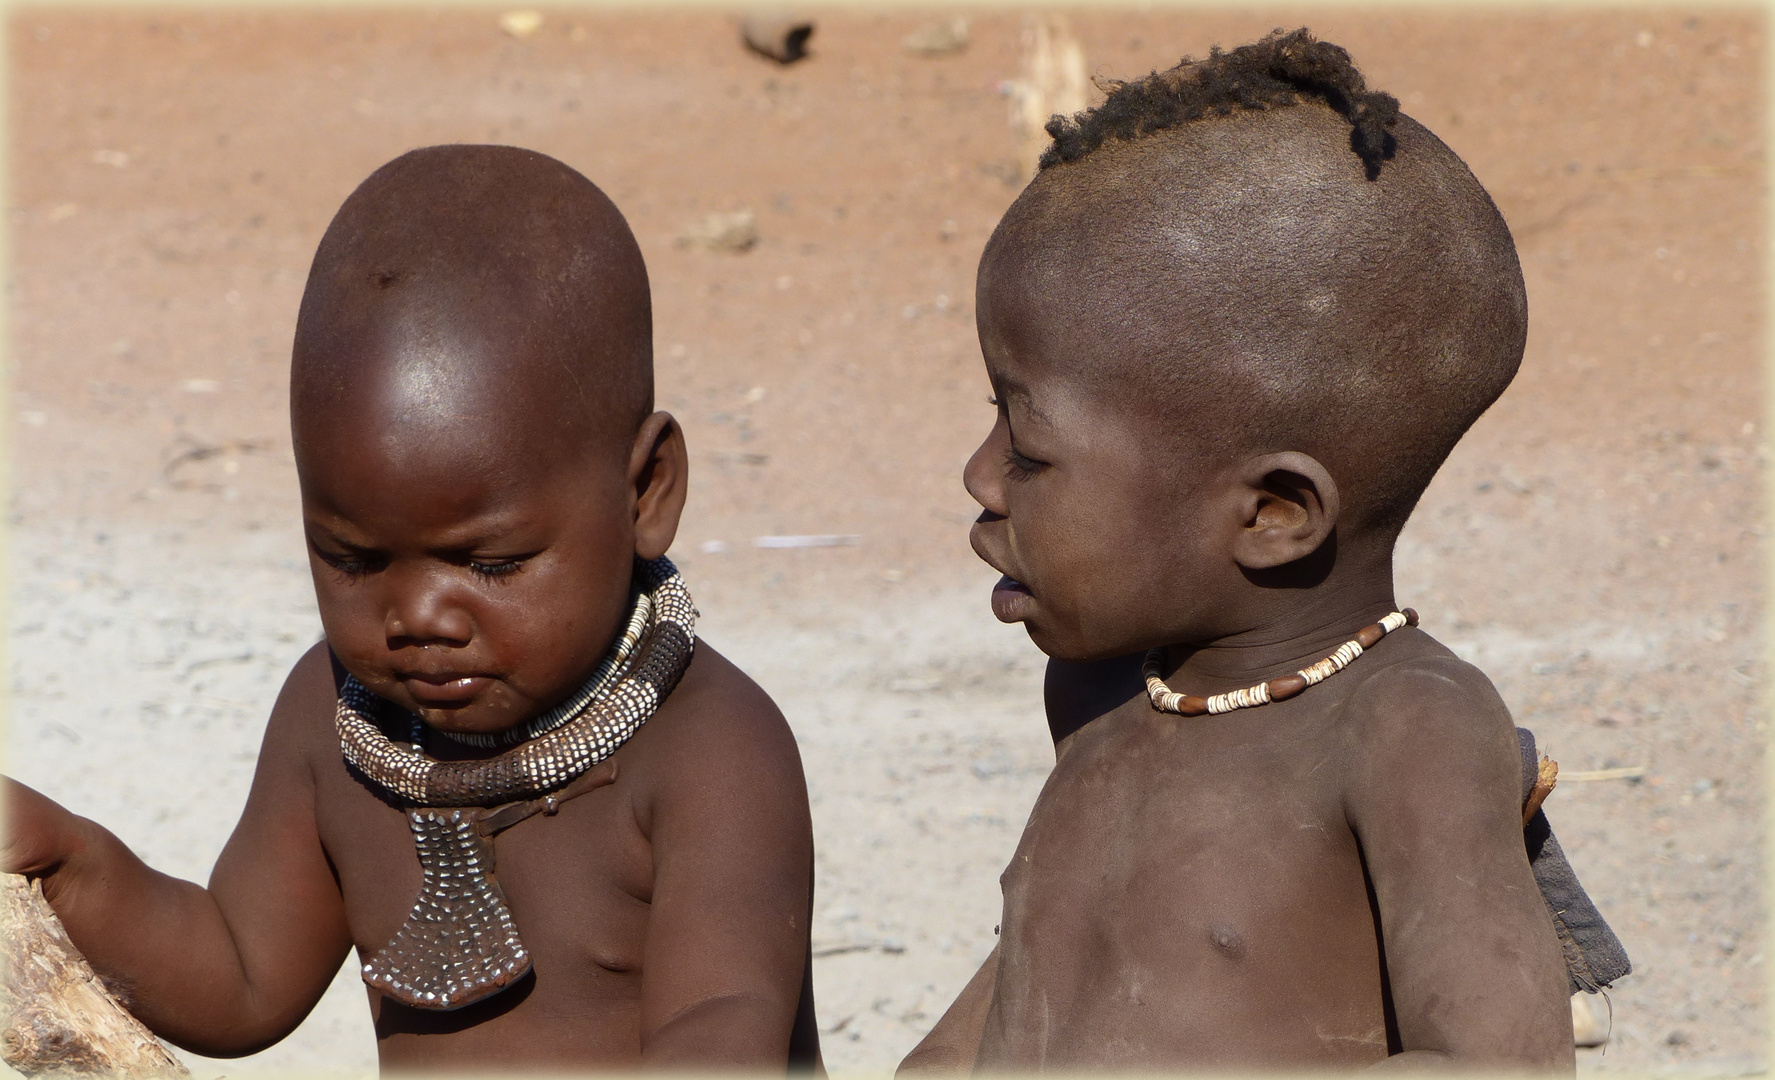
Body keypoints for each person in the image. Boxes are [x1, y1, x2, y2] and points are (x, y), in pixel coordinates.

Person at [4, 145, 821, 1071]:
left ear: (645, 494)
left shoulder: (710, 749)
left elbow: (720, 1027)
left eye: (493, 562)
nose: (419, 614)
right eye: (354, 559)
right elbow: (238, 976)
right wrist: (66, 863)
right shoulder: (337, 721)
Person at [900, 29, 1622, 1072]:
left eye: (1027, 446)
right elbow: (1042, 975)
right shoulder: (1102, 694)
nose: (978, 477)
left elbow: (1497, 1062)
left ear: (1272, 513)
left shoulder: (1403, 725)